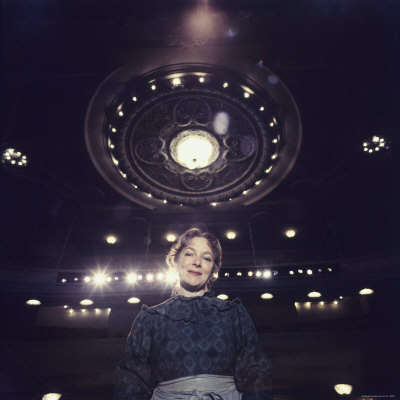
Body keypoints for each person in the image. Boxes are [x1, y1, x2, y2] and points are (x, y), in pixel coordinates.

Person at [115, 228, 272, 400]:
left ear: (213, 269)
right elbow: (132, 380)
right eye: (189, 254)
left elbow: (256, 372)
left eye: (206, 258)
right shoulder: (150, 319)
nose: (197, 262)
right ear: (175, 261)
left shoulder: (233, 314)